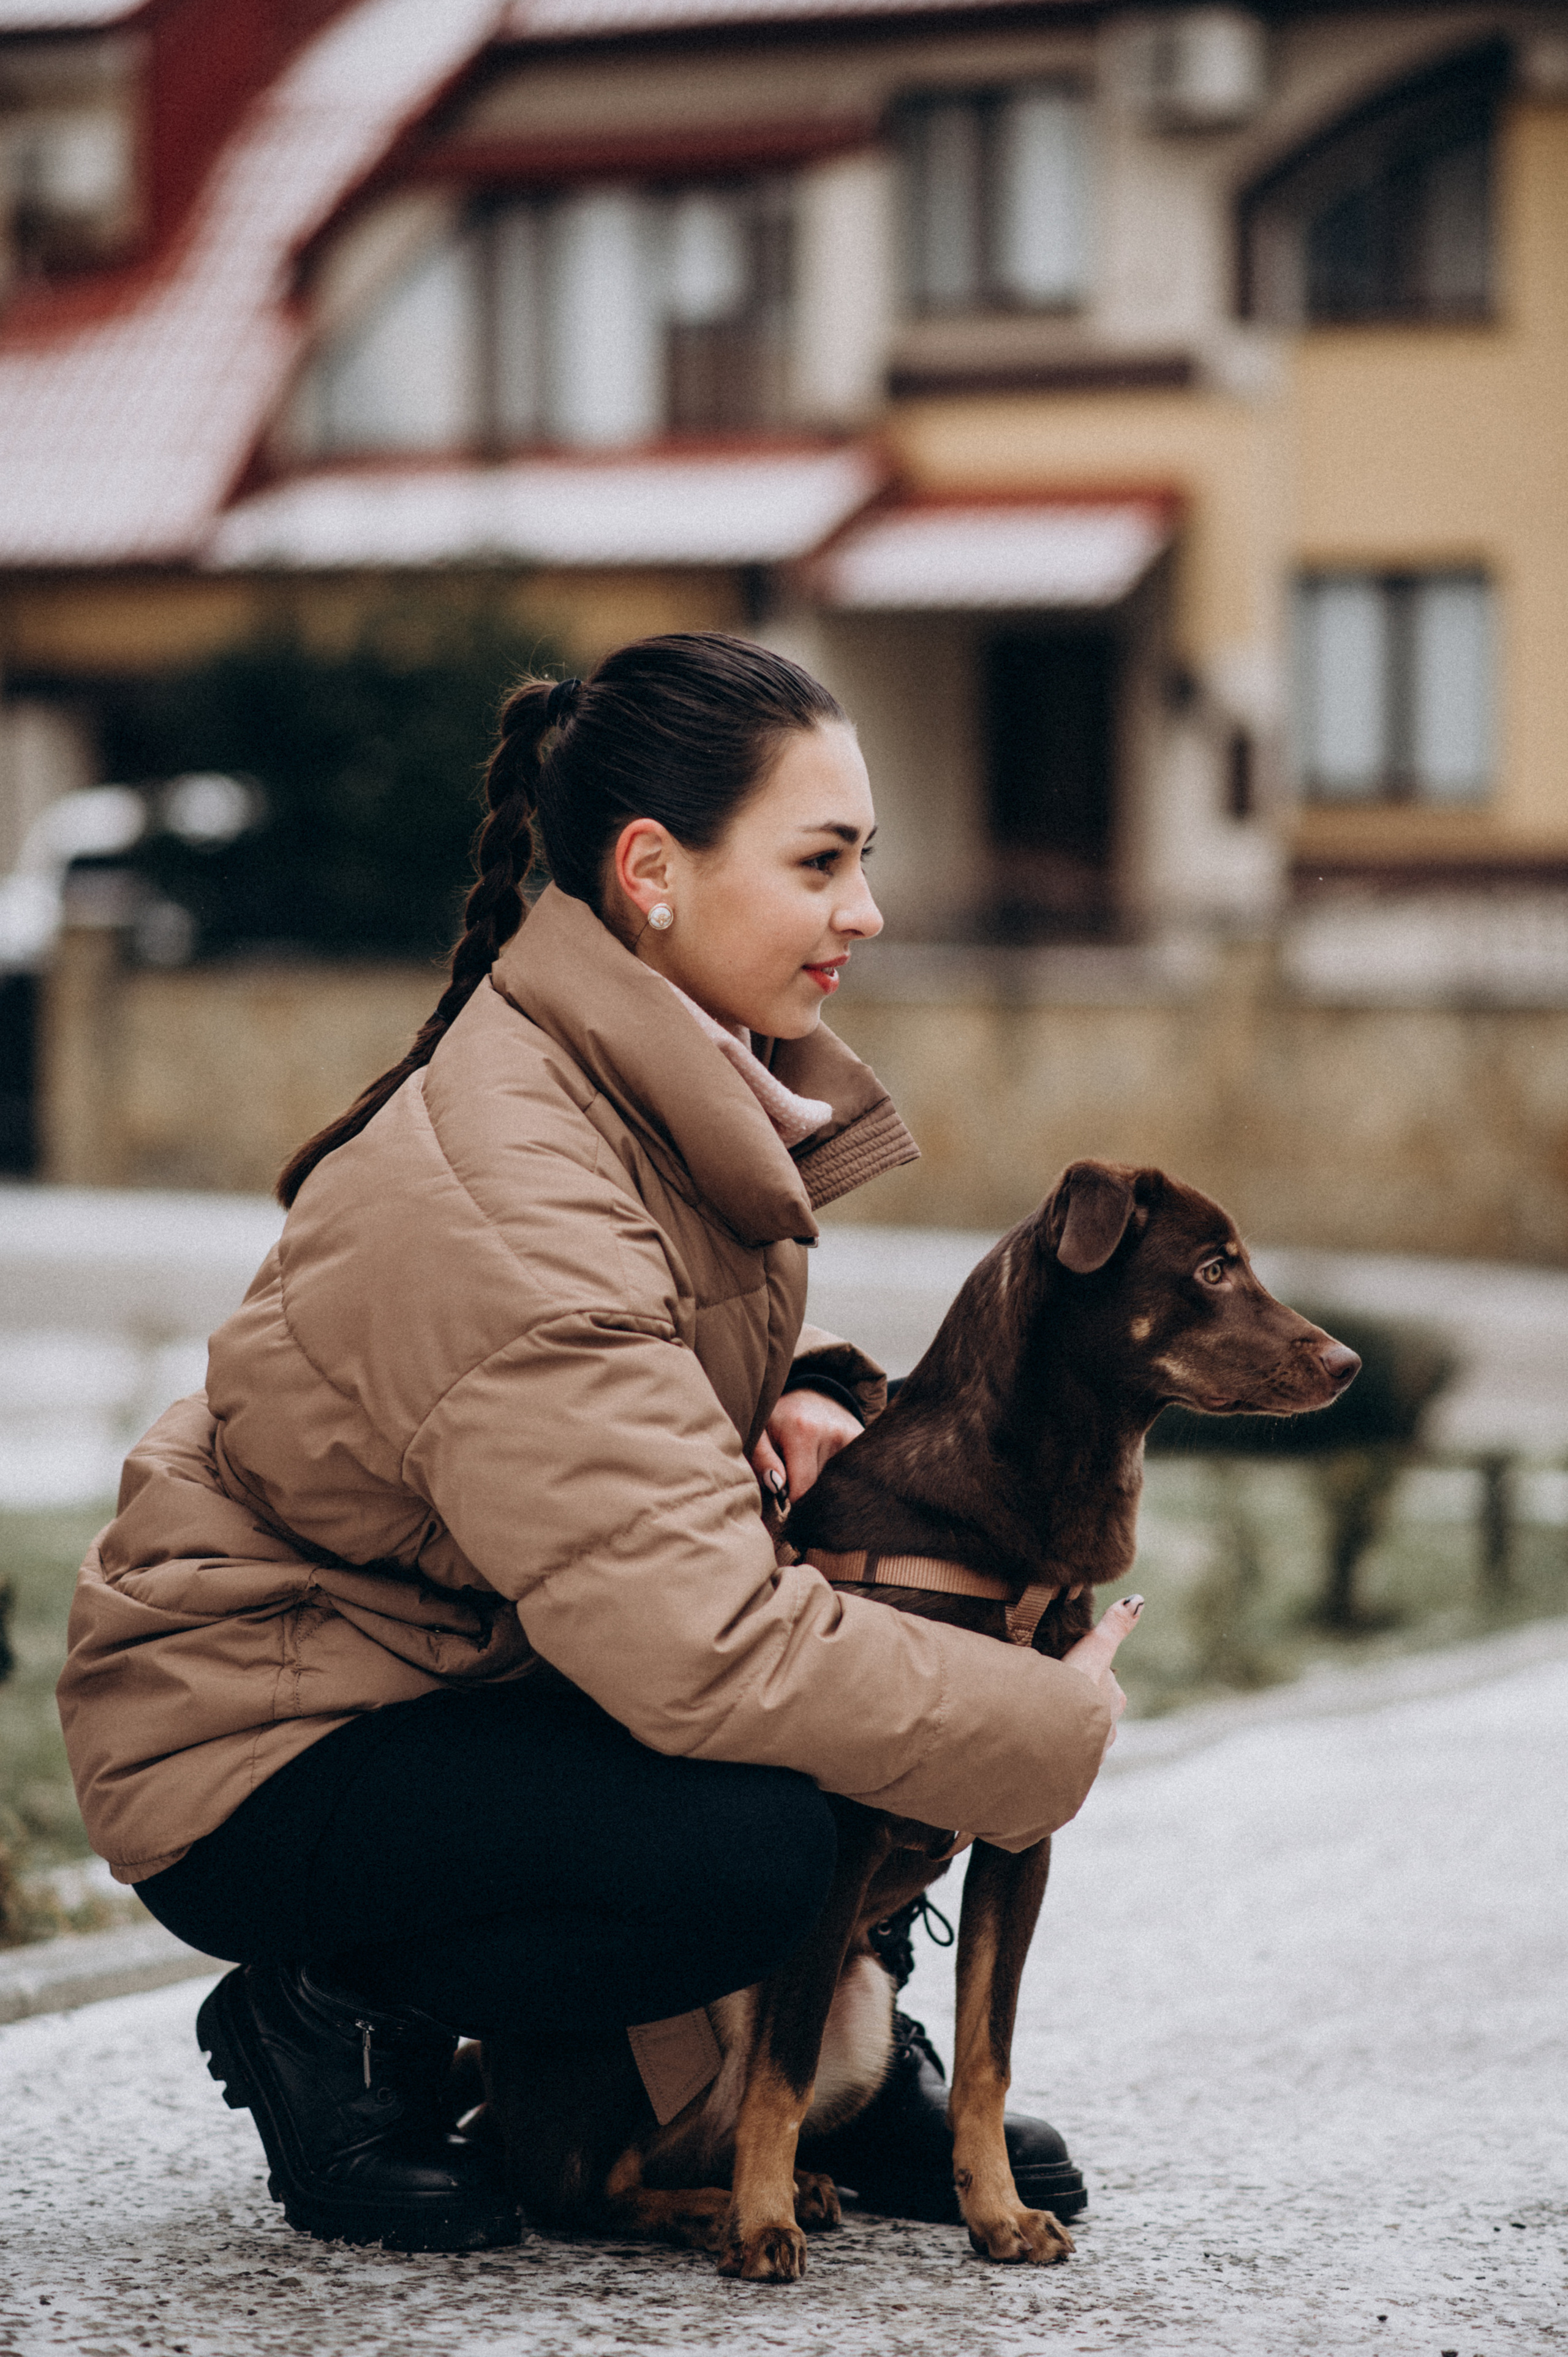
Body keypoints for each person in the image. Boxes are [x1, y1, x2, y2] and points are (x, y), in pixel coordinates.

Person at [56, 633, 1129, 2257]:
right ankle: (334, 2012)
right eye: (822, 862)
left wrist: (807, 1394)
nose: (868, 912)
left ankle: (830, 2059)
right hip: (263, 1732)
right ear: (653, 875)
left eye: (868, 862)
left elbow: (631, 1392)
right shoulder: (520, 1183)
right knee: (750, 1842)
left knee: (878, 1634)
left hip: (462, 1656)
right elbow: (709, 1652)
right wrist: (1046, 1720)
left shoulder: (679, 1082)